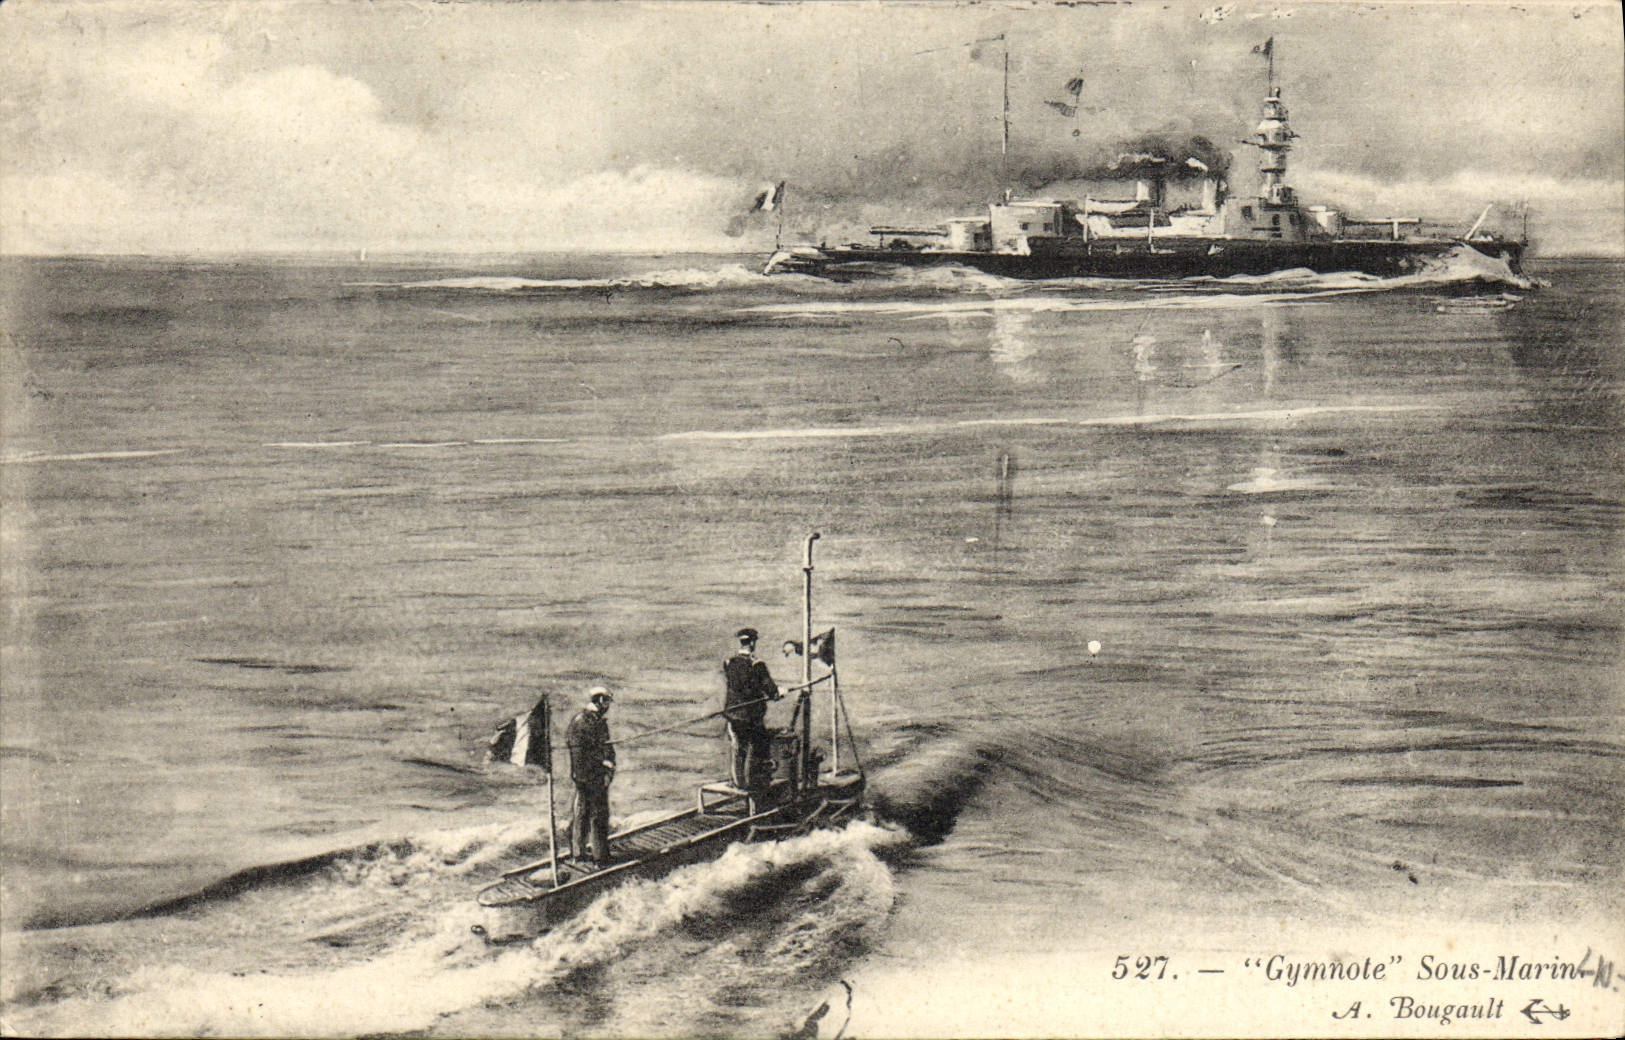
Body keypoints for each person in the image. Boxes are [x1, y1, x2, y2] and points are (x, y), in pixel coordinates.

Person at [722, 627, 780, 791]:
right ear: (753, 643)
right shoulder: (757, 665)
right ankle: (755, 785)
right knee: (759, 747)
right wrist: (778, 692)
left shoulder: (729, 663)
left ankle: (737, 782)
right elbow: (772, 691)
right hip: (751, 718)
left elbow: (738, 686)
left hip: (733, 716)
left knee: (738, 748)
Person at [566, 686, 615, 867]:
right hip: (590, 777)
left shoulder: (590, 720)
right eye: (607, 701)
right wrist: (603, 768)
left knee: (582, 814)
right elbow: (582, 753)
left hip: (584, 777)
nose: (608, 705)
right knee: (598, 816)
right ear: (600, 700)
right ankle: (600, 858)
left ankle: (579, 855)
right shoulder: (586, 722)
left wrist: (608, 765)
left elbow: (606, 748)